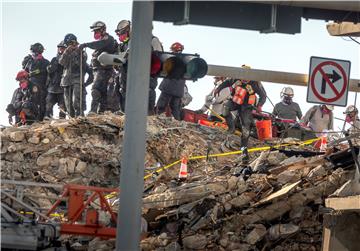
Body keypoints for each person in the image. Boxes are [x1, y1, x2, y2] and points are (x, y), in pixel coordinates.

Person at [115, 20, 163, 114]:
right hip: (129, 75)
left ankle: (149, 113)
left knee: (148, 91)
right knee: (121, 89)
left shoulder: (153, 40)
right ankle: (126, 112)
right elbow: (121, 59)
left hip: (147, 73)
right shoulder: (127, 43)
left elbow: (160, 57)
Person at [222, 65, 267, 162]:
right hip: (235, 102)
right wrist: (218, 89)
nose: (245, 79)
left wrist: (259, 105)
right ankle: (231, 128)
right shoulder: (235, 78)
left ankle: (244, 148)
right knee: (225, 108)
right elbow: (226, 83)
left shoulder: (255, 83)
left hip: (246, 107)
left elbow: (263, 95)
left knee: (246, 127)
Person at [79, 21, 118, 114]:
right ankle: (101, 111)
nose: (95, 33)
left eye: (97, 31)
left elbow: (99, 44)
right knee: (102, 92)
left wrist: (86, 44)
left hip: (105, 71)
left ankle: (93, 110)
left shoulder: (108, 39)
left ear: (103, 30)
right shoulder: (102, 42)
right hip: (98, 71)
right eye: (94, 31)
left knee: (96, 90)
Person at [60, 33, 91, 117]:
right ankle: (72, 119)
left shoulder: (81, 52)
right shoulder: (66, 53)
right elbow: (62, 63)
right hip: (66, 82)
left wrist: (76, 51)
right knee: (68, 105)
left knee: (76, 103)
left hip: (77, 80)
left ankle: (80, 118)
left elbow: (81, 63)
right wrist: (67, 52)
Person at [156, 42, 186, 120]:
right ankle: (177, 122)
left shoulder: (171, 59)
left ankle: (158, 118)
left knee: (161, 106)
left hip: (168, 88)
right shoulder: (186, 60)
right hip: (178, 90)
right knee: (175, 109)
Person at [22, 42, 50, 120]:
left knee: (42, 104)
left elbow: (49, 75)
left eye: (35, 52)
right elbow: (24, 73)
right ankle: (29, 120)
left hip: (42, 87)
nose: (34, 53)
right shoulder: (29, 62)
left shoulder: (46, 62)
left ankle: (42, 119)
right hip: (30, 87)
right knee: (29, 102)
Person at [44, 41, 67, 119]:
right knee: (48, 104)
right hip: (52, 87)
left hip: (63, 87)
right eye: (60, 48)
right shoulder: (54, 59)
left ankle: (62, 120)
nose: (61, 50)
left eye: (63, 48)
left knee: (62, 106)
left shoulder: (68, 59)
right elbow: (49, 72)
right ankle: (48, 118)